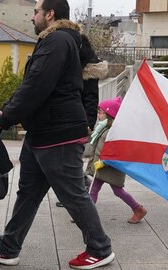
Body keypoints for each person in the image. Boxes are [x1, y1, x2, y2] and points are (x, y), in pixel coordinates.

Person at [0, 0, 115, 269]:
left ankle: (100, 249)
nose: (32, 17)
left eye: (36, 12)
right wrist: (5, 110)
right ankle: (8, 247)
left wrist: (6, 119)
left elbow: (37, 86)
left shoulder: (58, 41)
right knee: (28, 193)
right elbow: (30, 84)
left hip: (58, 134)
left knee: (73, 195)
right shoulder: (61, 41)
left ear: (50, 14)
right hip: (42, 132)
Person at [55, 33, 108, 208]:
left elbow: (91, 100)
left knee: (70, 164)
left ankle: (77, 195)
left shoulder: (89, 71)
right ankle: (78, 190)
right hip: (68, 121)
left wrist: (87, 125)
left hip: (78, 124)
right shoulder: (74, 67)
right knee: (68, 164)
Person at [87, 97, 147, 224]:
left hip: (111, 167)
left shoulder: (114, 131)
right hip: (101, 167)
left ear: (109, 114)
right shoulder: (102, 127)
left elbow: (117, 152)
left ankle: (138, 209)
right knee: (93, 191)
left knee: (118, 191)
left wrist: (104, 162)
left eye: (101, 112)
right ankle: (86, 215)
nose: (98, 114)